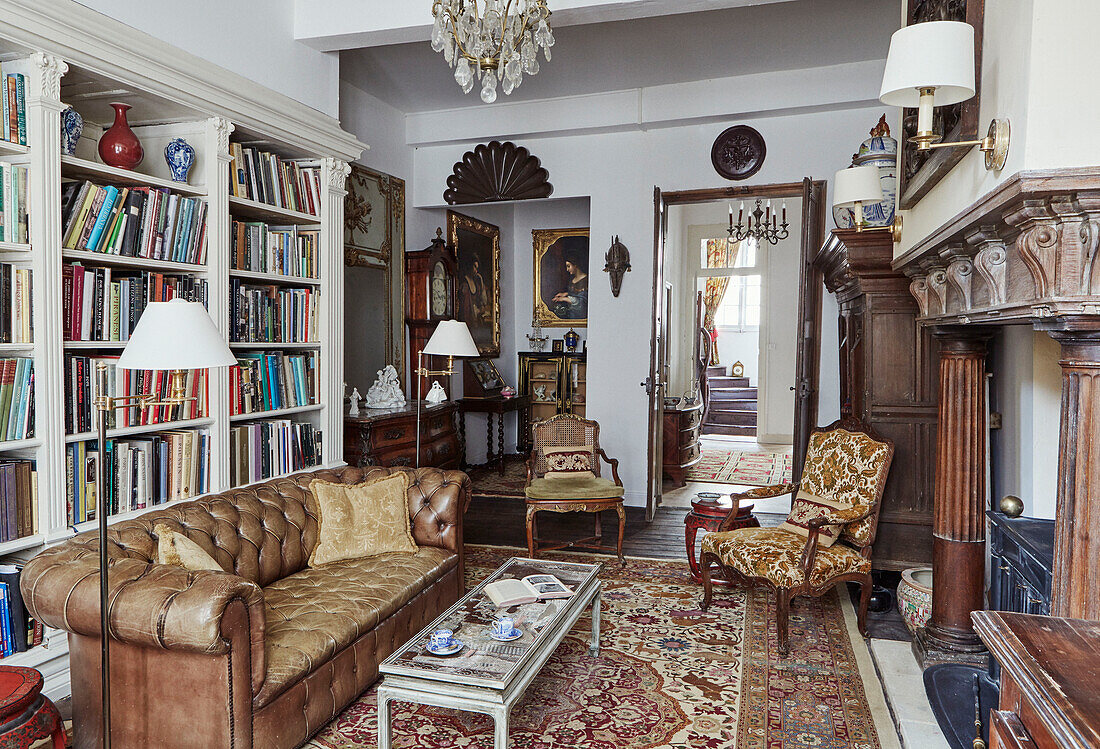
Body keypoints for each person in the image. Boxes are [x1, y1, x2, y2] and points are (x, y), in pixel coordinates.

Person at [551, 249, 588, 319]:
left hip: (579, 316)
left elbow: (581, 302)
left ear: (575, 265)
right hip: (571, 314)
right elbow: (575, 292)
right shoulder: (573, 280)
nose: (567, 269)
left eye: (569, 266)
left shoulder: (585, 280)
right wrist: (565, 294)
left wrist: (564, 298)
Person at [459, 256, 489, 323]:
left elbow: (484, 300)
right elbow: (465, 308)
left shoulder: (477, 281)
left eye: (477, 268)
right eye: (474, 267)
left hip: (477, 315)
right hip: (469, 316)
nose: (476, 270)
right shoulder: (464, 283)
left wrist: (481, 281)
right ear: (469, 266)